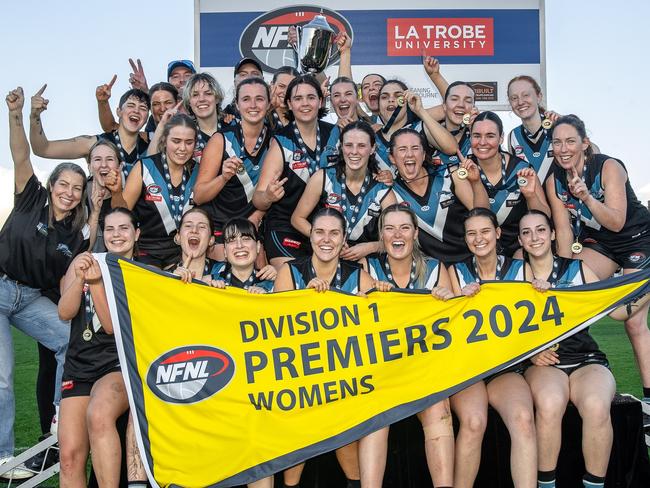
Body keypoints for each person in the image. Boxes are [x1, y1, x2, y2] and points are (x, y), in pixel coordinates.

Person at [517, 209, 647, 488]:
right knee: (550, 403)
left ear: (552, 234)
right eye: (526, 232)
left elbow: (617, 312)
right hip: (543, 363)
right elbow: (500, 333)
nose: (534, 237)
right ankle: (546, 484)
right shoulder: (513, 278)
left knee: (597, 404)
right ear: (520, 240)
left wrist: (646, 283)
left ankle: (594, 485)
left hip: (586, 359)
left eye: (540, 230)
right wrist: (529, 353)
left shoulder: (577, 269)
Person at [1, 87, 90, 480]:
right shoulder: (30, 196)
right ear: (52, 184)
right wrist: (18, 113)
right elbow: (21, 152)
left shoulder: (76, 230)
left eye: (77, 188)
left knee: (68, 338)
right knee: (2, 377)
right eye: (64, 185)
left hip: (29, 298)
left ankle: (59, 421)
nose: (69, 194)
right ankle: (3, 456)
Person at [545, 114, 650, 405]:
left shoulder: (608, 166)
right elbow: (564, 230)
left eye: (570, 141)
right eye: (557, 142)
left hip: (638, 239)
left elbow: (616, 221)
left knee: (626, 319)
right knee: (572, 288)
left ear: (584, 143)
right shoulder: (554, 179)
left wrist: (589, 198)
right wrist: (562, 275)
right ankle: (578, 363)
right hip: (602, 244)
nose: (563, 148)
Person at [275, 207, 373, 488]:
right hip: (300, 376)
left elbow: (374, 332)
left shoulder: (360, 277)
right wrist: (306, 301)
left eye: (334, 233)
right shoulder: (290, 273)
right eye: (319, 232)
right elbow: (275, 334)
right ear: (310, 237)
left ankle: (354, 482)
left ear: (344, 240)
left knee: (342, 418)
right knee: (304, 418)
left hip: (346, 376)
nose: (326, 239)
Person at [359, 204, 455, 488]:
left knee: (439, 411)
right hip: (383, 370)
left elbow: (453, 324)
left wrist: (447, 300)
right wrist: (371, 295)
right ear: (381, 235)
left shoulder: (436, 269)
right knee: (374, 416)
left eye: (404, 227)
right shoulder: (368, 268)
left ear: (415, 233)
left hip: (424, 368)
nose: (397, 234)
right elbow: (359, 325)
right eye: (389, 228)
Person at [448, 207, 535, 488]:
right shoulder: (456, 272)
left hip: (505, 367)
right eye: (471, 233)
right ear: (465, 239)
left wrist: (538, 348)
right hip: (469, 369)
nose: (479, 238)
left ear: (497, 233)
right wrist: (457, 300)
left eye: (485, 231)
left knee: (523, 419)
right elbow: (448, 326)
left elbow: (536, 321)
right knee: (473, 423)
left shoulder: (520, 269)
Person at [57, 208, 139, 488]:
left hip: (117, 364)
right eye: (111, 229)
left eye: (124, 228)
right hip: (79, 364)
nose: (117, 235)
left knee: (99, 414)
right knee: (69, 458)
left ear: (136, 234)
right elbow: (65, 313)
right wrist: (79, 278)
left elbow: (112, 326)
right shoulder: (88, 262)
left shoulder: (141, 273)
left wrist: (94, 284)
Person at [253, 75, 339, 268]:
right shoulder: (281, 141)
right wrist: (268, 195)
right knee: (294, 281)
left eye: (311, 97)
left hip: (328, 229)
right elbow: (258, 199)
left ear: (320, 101)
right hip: (286, 228)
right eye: (298, 99)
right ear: (289, 104)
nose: (305, 103)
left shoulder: (336, 134)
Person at [291, 120, 396, 260]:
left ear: (372, 148)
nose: (354, 151)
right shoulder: (323, 178)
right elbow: (297, 219)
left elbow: (399, 237)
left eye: (361, 146)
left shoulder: (382, 189)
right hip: (326, 255)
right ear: (341, 147)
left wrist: (371, 247)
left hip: (367, 262)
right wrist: (327, 239)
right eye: (348, 145)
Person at [105, 113, 199, 269]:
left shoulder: (199, 172)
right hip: (147, 252)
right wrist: (115, 192)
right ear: (164, 140)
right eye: (176, 141)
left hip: (186, 251)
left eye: (189, 142)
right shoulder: (145, 167)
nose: (182, 148)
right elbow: (121, 212)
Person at [193, 78, 271, 260]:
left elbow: (276, 194)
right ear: (236, 104)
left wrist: (257, 216)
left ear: (268, 103)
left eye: (259, 99)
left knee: (264, 274)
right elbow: (199, 195)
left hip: (256, 226)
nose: (253, 105)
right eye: (246, 99)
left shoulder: (276, 141)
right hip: (221, 226)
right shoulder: (220, 140)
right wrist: (223, 177)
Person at [388, 127, 488, 263]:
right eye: (402, 149)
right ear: (392, 158)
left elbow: (483, 215)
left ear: (423, 155)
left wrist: (476, 182)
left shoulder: (450, 174)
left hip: (469, 261)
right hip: (430, 270)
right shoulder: (391, 191)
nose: (409, 154)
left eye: (415, 148)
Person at [469, 111, 550, 256]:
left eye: (490, 136)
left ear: (501, 138)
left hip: (519, 250)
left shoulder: (522, 169)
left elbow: (545, 216)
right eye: (477, 136)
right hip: (478, 248)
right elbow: (479, 217)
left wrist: (530, 196)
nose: (482, 142)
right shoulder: (465, 171)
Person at [30, 85, 150, 177]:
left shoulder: (151, 150)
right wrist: (35, 116)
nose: (136, 111)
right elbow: (42, 149)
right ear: (118, 111)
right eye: (130, 105)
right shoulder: (94, 143)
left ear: (146, 117)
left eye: (143, 108)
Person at [374, 80, 457, 171]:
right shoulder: (371, 137)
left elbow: (452, 148)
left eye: (398, 96)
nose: (390, 100)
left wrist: (420, 111)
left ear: (407, 101)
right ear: (378, 105)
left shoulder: (420, 128)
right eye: (384, 97)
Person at [507, 76, 559, 183]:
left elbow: (592, 152)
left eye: (526, 95)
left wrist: (570, 127)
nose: (520, 102)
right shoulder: (513, 136)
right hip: (532, 198)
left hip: (561, 198)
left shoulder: (558, 125)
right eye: (514, 98)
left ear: (539, 96)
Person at [209, 218, 275, 293]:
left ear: (258, 246)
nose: (239, 245)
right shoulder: (209, 283)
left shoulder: (273, 285)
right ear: (225, 251)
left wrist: (266, 298)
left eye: (246, 239)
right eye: (232, 240)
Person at [181, 73, 225, 163]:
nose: (201, 99)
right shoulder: (184, 135)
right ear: (189, 101)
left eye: (208, 93)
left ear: (217, 98)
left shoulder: (233, 127)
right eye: (195, 95)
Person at [268, 66, 300, 131]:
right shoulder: (260, 114)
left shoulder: (300, 118)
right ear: (272, 85)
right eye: (281, 86)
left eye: (291, 88)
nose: (285, 92)